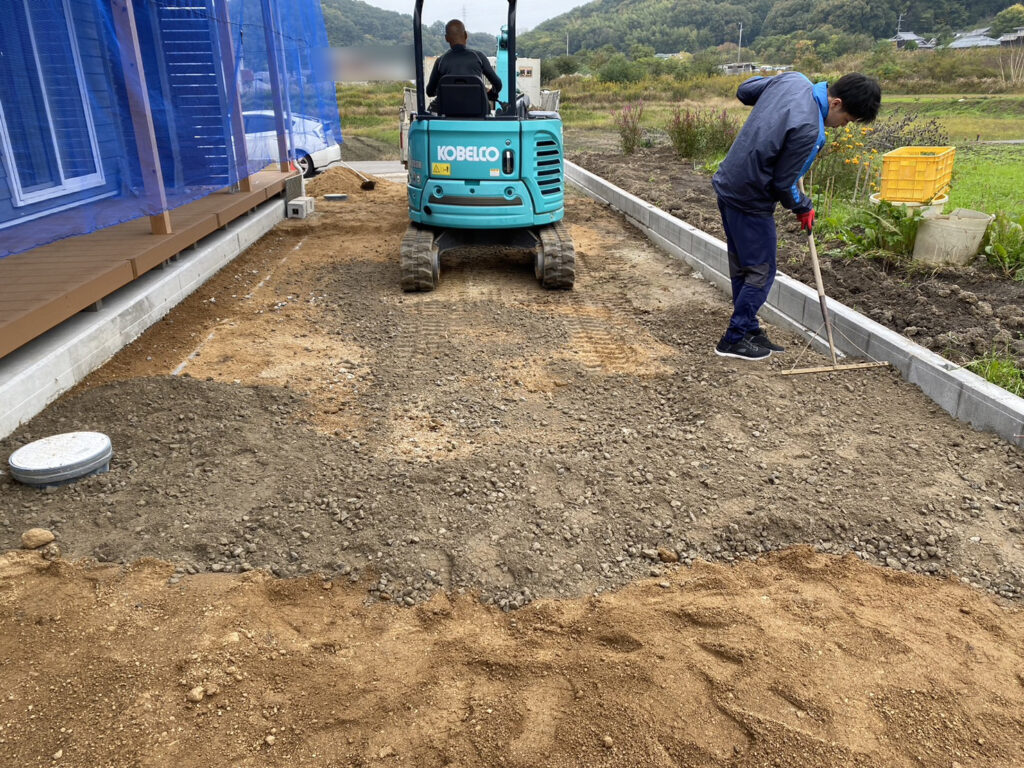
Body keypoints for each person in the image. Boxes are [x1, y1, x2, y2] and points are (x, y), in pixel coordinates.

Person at [711, 72, 881, 361]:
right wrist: (803, 206)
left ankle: (749, 328)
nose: (842, 127)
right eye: (847, 120)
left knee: (745, 267)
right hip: (750, 198)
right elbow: (784, 183)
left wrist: (777, 92)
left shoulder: (792, 80)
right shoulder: (810, 130)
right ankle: (734, 339)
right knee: (761, 271)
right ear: (836, 102)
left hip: (729, 184)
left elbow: (745, 91)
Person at [426, 19, 503, 105]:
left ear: (446, 38)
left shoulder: (440, 61)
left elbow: (429, 92)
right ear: (466, 35)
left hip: (448, 113)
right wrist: (490, 94)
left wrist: (443, 91)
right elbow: (498, 84)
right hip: (477, 111)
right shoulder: (479, 57)